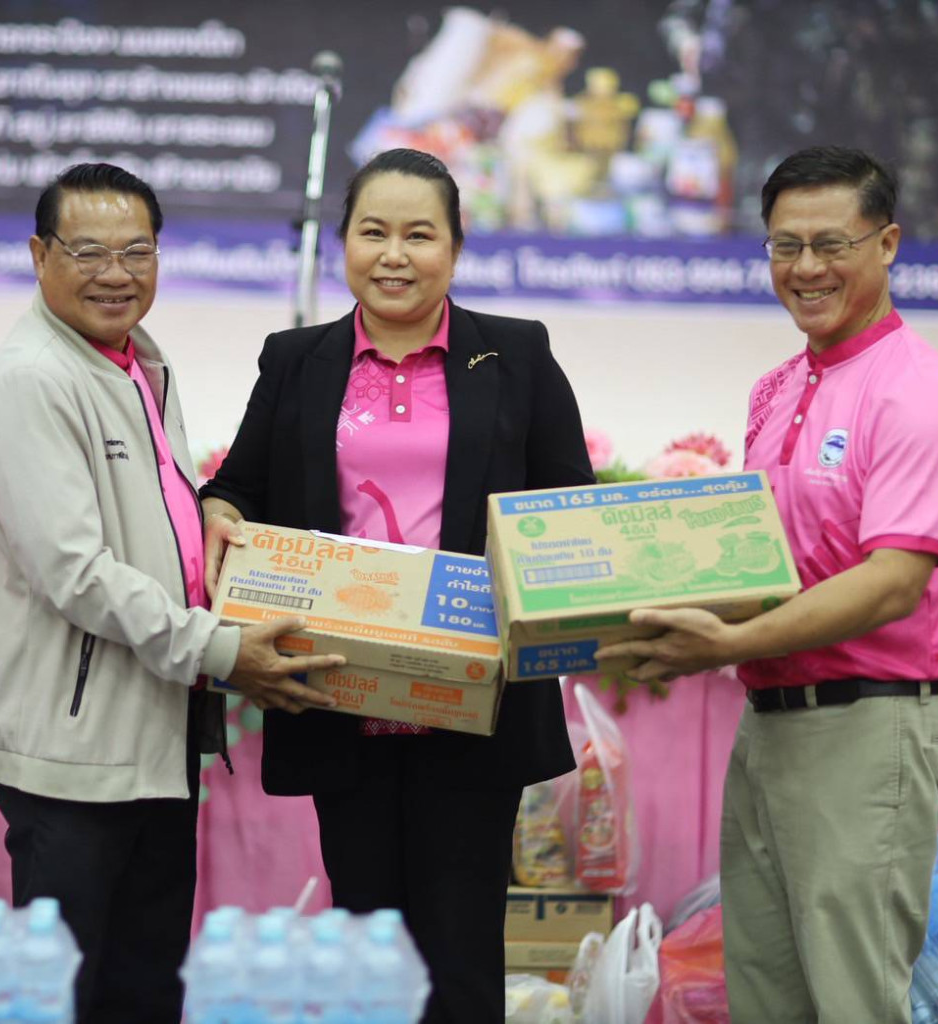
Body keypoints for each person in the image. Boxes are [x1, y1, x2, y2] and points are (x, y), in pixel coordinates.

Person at [200, 148, 595, 1023]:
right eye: (373, 232)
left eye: (420, 235)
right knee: (369, 952)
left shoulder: (517, 353)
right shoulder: (297, 359)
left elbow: (568, 504)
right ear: (343, 241)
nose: (394, 255)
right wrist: (218, 512)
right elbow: (240, 485)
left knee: (461, 954)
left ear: (455, 248)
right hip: (339, 689)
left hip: (474, 701)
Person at [598, 146, 938, 1024]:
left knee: (853, 1000)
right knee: (765, 994)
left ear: (888, 244)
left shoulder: (916, 390)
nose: (807, 269)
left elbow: (892, 583)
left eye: (832, 244)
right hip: (771, 724)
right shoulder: (779, 388)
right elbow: (764, 561)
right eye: (785, 246)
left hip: (870, 728)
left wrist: (727, 644)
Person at [0, 162, 342, 1024]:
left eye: (137, 251)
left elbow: (152, 516)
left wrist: (212, 523)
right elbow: (78, 573)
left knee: (141, 990)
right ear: (39, 256)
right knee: (65, 997)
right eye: (88, 252)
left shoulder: (136, 361)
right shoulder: (32, 380)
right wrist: (221, 650)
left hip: (148, 735)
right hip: (73, 754)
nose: (116, 274)